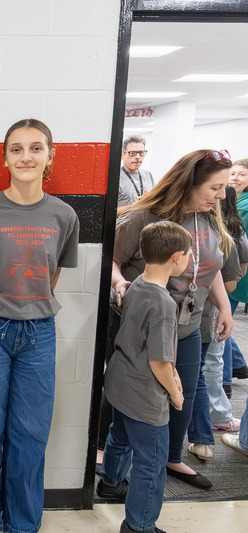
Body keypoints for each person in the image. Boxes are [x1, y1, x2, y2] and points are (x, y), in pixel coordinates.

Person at [0, 119, 80, 533]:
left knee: (30, 433)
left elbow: (53, 274)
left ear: (50, 155)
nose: (25, 157)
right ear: (4, 156)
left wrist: (31, 305)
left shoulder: (64, 215)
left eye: (35, 148)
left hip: (39, 333)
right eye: (16, 149)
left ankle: (23, 522)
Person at [112, 149, 235, 490]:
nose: (221, 196)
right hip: (148, 322)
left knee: (185, 394)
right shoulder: (145, 215)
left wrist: (223, 306)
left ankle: (171, 457)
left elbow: (209, 269)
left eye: (224, 187)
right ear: (190, 184)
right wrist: (119, 282)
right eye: (215, 187)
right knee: (140, 395)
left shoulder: (209, 217)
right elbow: (114, 259)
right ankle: (120, 463)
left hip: (191, 323)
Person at [99, 221, 190, 533]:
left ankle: (110, 483)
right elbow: (159, 362)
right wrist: (176, 395)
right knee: (151, 464)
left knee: (119, 437)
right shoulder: (164, 304)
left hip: (120, 382)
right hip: (144, 395)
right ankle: (140, 525)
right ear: (178, 257)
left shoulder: (135, 284)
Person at [200, 187, 244, 433]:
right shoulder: (221, 234)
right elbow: (229, 282)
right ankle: (216, 416)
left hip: (208, 306)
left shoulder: (217, 233)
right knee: (212, 361)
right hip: (205, 308)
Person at [225, 158, 248, 385]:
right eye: (233, 174)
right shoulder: (234, 201)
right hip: (237, 271)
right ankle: (239, 365)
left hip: (238, 273)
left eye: (242, 174)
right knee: (224, 323)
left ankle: (225, 382)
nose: (235, 178)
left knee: (221, 325)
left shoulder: (243, 208)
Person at [119, 135, 156, 207]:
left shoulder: (148, 174)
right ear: (122, 155)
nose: (138, 157)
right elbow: (109, 212)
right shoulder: (116, 177)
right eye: (132, 153)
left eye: (141, 153)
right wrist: (137, 206)